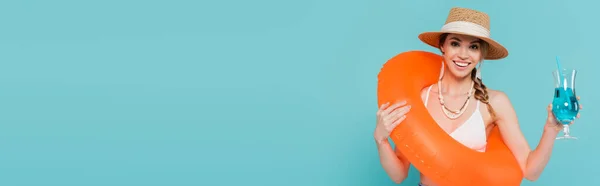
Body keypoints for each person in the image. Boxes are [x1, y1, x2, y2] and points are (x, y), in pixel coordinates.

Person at [373, 7, 583, 186]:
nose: (463, 55)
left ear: (481, 54)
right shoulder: (421, 99)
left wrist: (551, 129)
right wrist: (381, 139)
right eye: (455, 43)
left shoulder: (495, 102)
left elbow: (530, 170)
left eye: (473, 47)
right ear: (442, 47)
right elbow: (399, 174)